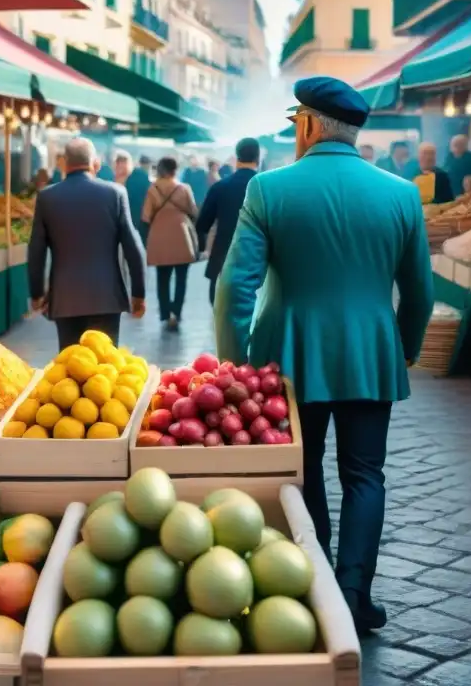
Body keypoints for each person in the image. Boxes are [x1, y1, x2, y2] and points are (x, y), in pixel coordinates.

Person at [214, 76, 434, 633]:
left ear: (309, 125)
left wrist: (233, 366)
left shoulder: (267, 189)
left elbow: (234, 289)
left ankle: (311, 583)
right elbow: (420, 294)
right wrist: (404, 348)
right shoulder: (402, 194)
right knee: (366, 475)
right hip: (369, 354)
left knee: (301, 469)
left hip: (287, 356)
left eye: (295, 124)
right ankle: (355, 593)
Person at [28, 137, 146, 349]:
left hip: (65, 300)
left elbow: (36, 250)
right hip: (107, 298)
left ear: (64, 164)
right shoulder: (115, 193)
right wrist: (138, 293)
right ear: (96, 164)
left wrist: (36, 294)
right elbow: (133, 246)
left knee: (72, 368)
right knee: (105, 369)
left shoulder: (47, 197)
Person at [195, 137, 260, 306]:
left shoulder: (220, 187)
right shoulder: (267, 187)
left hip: (223, 255)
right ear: (257, 158)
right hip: (258, 256)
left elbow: (202, 224)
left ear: (237, 157)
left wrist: (202, 247)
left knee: (218, 304)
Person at [142, 156, 198, 332]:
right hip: (182, 237)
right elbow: (193, 211)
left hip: (160, 237)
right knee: (181, 279)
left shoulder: (153, 189)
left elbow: (145, 216)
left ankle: (165, 313)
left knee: (162, 278)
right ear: (175, 170)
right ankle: (177, 312)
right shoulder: (184, 188)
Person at [119, 150, 150, 245]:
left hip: (130, 212)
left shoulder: (130, 177)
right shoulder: (146, 179)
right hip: (142, 214)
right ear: (147, 165)